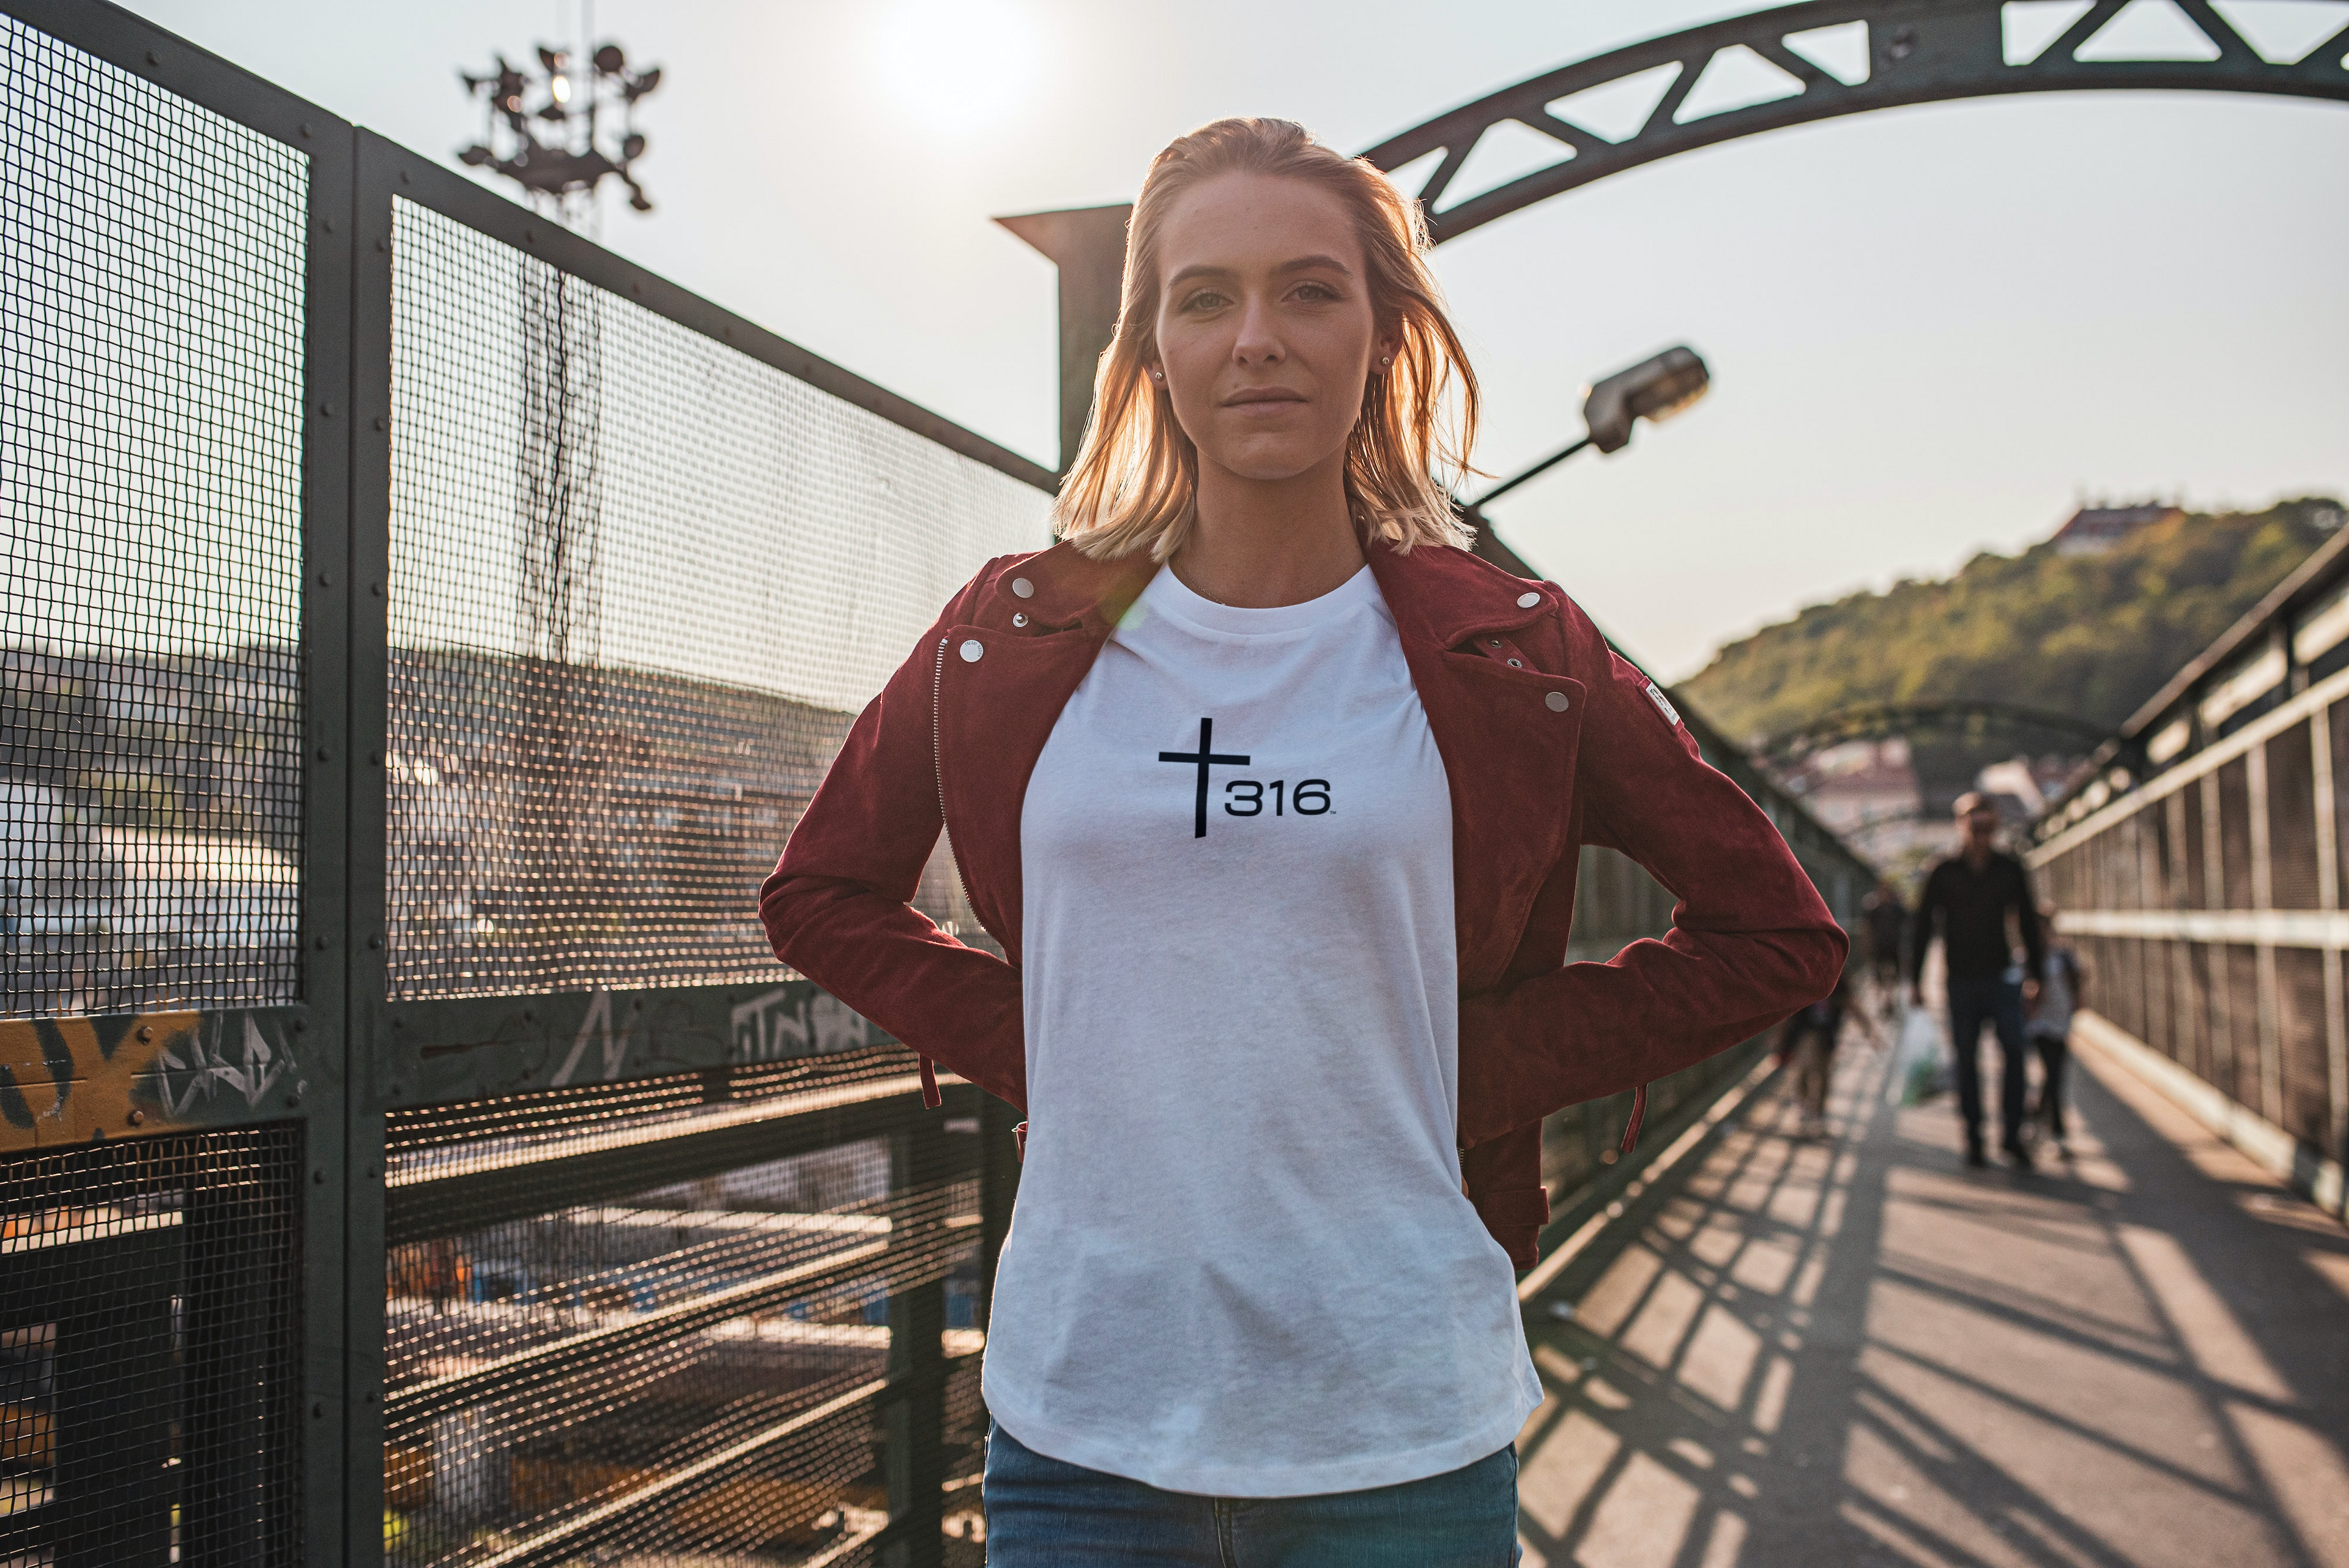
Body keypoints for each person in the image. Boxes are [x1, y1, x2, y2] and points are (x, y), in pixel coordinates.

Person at [760, 117, 1846, 1563]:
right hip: (1081, 1431)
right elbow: (821, 893)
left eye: (1310, 290)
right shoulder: (1011, 636)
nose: (1256, 337)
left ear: (1382, 337)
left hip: (1400, 1431)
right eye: (1204, 297)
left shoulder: (1515, 653)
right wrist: (1050, 1041)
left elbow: (1778, 935)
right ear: (1152, 349)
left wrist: (1477, 1065)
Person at [1909, 792, 2046, 1169]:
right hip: (1960, 980)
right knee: (1966, 1061)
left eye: (1987, 825)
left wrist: (2036, 975)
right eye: (1974, 824)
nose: (1981, 832)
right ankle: (1974, 1139)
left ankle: (2012, 1137)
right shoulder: (1942, 870)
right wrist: (1915, 981)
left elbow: (2028, 922)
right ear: (1961, 825)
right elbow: (1923, 927)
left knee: (2014, 1054)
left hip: (2002, 977)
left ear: (1996, 826)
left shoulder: (2009, 868)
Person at [1775, 963, 1879, 1139]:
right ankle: (1806, 1112)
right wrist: (1780, 1039)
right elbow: (1787, 1011)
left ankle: (1817, 1115)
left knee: (1823, 1075)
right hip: (1806, 1032)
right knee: (1804, 1070)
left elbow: (1851, 1005)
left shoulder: (1838, 980)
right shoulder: (1803, 976)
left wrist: (1869, 1032)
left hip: (1828, 1035)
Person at [2028, 901, 2086, 1149]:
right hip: (2038, 1023)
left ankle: (2037, 1114)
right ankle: (2057, 1130)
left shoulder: (2062, 955)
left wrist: (2078, 997)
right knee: (2054, 1073)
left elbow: (2078, 979)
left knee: (2055, 1074)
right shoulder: (2027, 957)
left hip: (2061, 1021)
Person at [1861, 880, 1908, 1016]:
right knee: (1879, 976)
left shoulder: (1897, 909)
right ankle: (1883, 1001)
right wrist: (1867, 945)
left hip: (1894, 947)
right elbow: (1867, 929)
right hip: (1879, 947)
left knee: (1895, 976)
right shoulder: (1874, 909)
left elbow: (1906, 928)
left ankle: (1891, 1000)